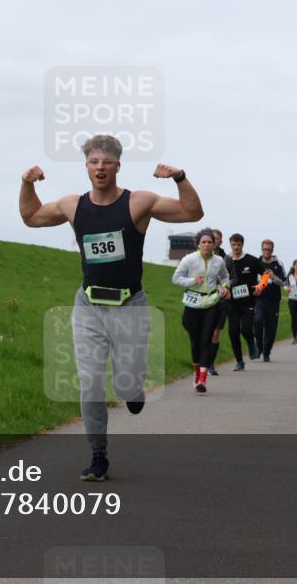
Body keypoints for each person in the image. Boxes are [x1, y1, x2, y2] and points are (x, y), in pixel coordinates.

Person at [19, 134, 203, 481]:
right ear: (86, 165)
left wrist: (179, 177)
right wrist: (27, 183)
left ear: (118, 166)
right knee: (89, 382)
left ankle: (133, 389)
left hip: (129, 306)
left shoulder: (139, 203)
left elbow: (192, 212)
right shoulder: (73, 205)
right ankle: (98, 455)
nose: (100, 167)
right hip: (88, 305)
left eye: (107, 162)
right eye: (93, 161)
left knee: (125, 384)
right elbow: (30, 217)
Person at [173, 229, 231, 393]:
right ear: (198, 243)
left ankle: (203, 380)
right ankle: (197, 373)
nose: (206, 245)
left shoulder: (219, 261)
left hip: (211, 304)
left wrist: (225, 288)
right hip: (192, 305)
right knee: (195, 342)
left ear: (214, 244)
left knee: (206, 340)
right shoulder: (189, 259)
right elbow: (175, 278)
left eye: (209, 242)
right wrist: (193, 280)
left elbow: (225, 277)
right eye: (203, 242)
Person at [225, 233, 265, 370]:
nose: (236, 247)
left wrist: (260, 286)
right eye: (233, 245)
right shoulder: (226, 261)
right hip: (231, 302)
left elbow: (265, 273)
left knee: (246, 329)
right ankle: (239, 361)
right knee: (233, 331)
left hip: (248, 302)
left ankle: (251, 343)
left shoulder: (252, 260)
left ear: (242, 244)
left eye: (238, 244)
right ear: (230, 244)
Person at [253, 239, 286, 362]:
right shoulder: (256, 262)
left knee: (271, 328)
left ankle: (266, 352)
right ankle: (259, 347)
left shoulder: (278, 263)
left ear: (272, 250)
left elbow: (284, 282)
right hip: (259, 299)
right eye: (265, 249)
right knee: (258, 321)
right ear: (261, 249)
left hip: (273, 300)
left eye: (269, 249)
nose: (267, 251)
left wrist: (273, 276)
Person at [208, 229, 228, 375]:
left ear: (220, 241)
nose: (214, 241)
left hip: (220, 299)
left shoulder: (226, 258)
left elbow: (231, 277)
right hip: (203, 298)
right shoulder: (198, 256)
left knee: (215, 333)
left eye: (217, 239)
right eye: (212, 238)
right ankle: (200, 361)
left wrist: (225, 287)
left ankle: (210, 364)